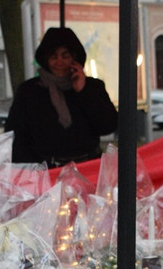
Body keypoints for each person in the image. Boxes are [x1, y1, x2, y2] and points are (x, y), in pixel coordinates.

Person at [6, 27, 118, 167]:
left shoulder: (92, 86)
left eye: (65, 56)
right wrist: (33, 170)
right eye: (54, 56)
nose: (60, 62)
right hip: (47, 171)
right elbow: (16, 136)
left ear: (74, 58)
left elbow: (108, 125)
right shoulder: (30, 91)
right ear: (46, 59)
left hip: (88, 167)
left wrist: (83, 91)